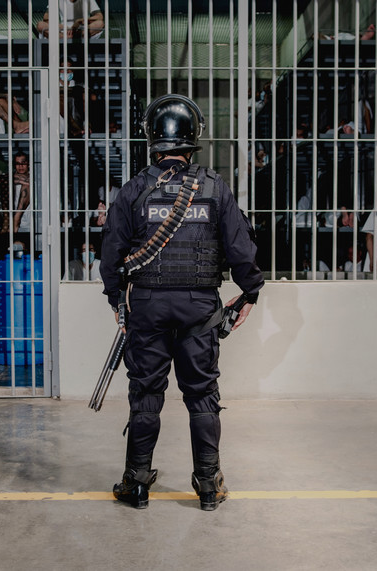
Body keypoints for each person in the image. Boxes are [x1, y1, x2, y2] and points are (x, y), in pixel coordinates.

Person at [100, 94, 264, 511]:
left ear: (152, 138)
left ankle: (136, 483)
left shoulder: (134, 190)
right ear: (193, 138)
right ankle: (208, 484)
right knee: (203, 394)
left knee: (146, 394)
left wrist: (119, 302)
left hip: (147, 307)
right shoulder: (214, 187)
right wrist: (250, 292)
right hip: (199, 307)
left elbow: (111, 256)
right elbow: (241, 249)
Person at [36, 0, 104, 39]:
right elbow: (46, 18)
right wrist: (62, 27)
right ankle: (66, 37)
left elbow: (99, 17)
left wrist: (79, 21)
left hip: (82, 30)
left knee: (100, 24)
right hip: (62, 32)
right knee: (40, 25)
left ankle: (71, 37)